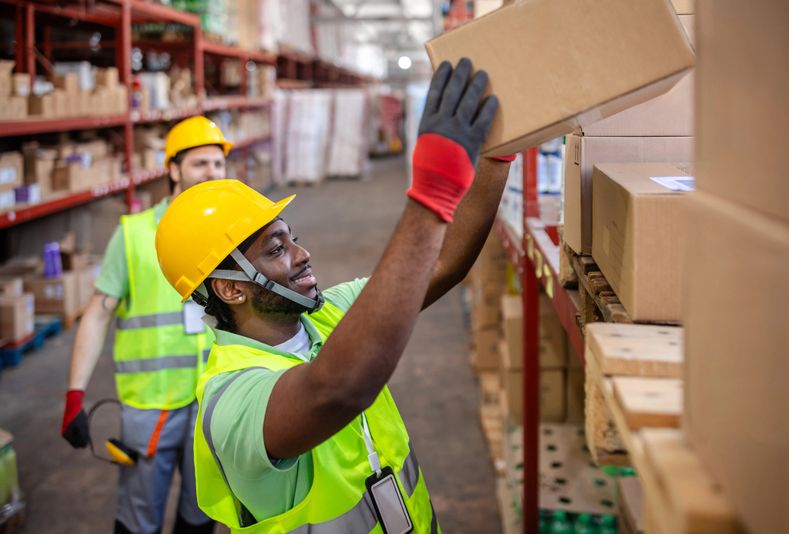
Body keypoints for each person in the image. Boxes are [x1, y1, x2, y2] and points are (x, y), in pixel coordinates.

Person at [154, 58, 514, 533]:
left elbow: (441, 263)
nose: (303, 255)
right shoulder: (231, 400)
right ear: (229, 288)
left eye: (292, 237)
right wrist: (431, 194)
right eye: (277, 250)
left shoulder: (330, 316)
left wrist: (497, 155)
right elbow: (335, 389)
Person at [60, 116, 232, 534]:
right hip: (151, 404)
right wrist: (74, 393)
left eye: (218, 164)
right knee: (139, 519)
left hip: (212, 400)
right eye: (199, 164)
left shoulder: (231, 234)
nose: (211, 173)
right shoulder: (135, 235)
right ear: (172, 169)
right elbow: (98, 313)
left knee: (202, 514)